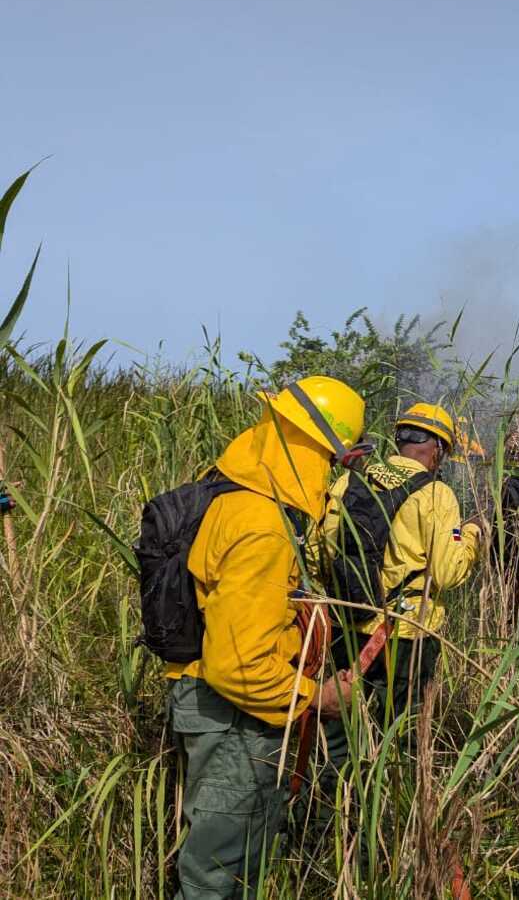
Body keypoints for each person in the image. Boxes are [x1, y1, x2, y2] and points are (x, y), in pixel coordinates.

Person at [167, 376, 364, 900]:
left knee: (234, 862)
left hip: (222, 708)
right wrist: (316, 696)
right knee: (219, 874)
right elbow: (239, 665)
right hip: (235, 716)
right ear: (321, 452)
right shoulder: (263, 524)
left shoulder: (237, 495)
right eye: (340, 462)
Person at [317, 403, 484, 781]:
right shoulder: (436, 494)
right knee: (402, 732)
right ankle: (395, 807)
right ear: (438, 449)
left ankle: (331, 812)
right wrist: (473, 535)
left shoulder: (348, 482)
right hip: (407, 636)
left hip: (347, 623)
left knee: (340, 732)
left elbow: (323, 551)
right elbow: (447, 571)